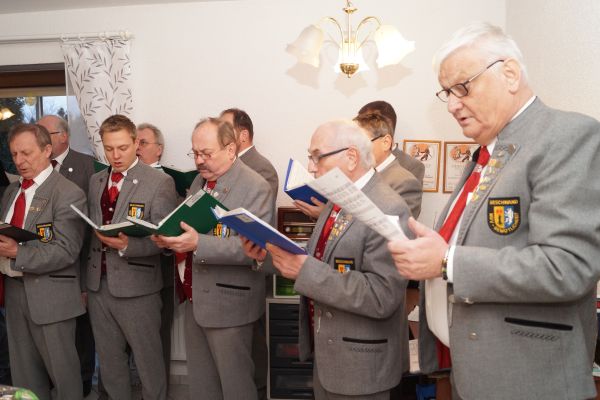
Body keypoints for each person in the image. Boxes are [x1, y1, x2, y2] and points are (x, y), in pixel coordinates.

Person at [388, 22, 600, 400]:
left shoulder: (566, 136)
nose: (452, 104)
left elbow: (567, 267)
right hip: (472, 371)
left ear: (510, 74)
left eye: (462, 87)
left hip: (527, 380)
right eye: (447, 93)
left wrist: (446, 261)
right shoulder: (489, 152)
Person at [242, 120, 411, 400]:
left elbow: (382, 296)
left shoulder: (389, 206)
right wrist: (266, 257)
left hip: (361, 365)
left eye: (317, 156)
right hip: (328, 355)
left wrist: (306, 270)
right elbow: (316, 257)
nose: (311, 167)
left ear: (351, 157)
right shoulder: (337, 200)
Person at [151, 117, 273, 400]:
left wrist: (198, 244)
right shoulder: (199, 181)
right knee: (202, 386)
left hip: (230, 303)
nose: (199, 161)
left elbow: (254, 249)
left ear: (230, 149)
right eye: (194, 153)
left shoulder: (255, 186)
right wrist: (170, 239)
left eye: (206, 153)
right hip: (195, 298)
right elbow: (191, 225)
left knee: (236, 387)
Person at [86, 115, 177, 400]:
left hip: (139, 289)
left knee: (149, 363)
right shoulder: (95, 180)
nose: (115, 155)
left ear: (136, 143)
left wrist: (129, 246)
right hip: (98, 285)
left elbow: (166, 240)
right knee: (110, 363)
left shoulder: (160, 182)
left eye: (122, 148)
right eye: (109, 148)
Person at [0, 123, 87, 399]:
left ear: (47, 150)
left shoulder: (68, 192)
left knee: (64, 379)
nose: (19, 161)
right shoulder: (11, 192)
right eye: (14, 154)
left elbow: (67, 250)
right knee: (25, 378)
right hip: (14, 293)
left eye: (26, 153)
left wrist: (18, 252)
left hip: (52, 298)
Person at [219, 108, 277, 400]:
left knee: (251, 350)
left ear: (242, 135)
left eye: (225, 128)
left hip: (247, 266)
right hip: (222, 270)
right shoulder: (220, 168)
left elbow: (257, 224)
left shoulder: (259, 169)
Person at [38, 114, 96, 397]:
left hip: (81, 261)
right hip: (44, 264)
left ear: (63, 136)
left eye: (44, 133)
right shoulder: (37, 169)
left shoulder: (88, 166)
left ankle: (83, 383)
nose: (38, 139)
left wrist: (85, 279)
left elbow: (91, 226)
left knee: (82, 331)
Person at [135, 122, 174, 388]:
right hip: (123, 273)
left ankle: (158, 390)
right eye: (135, 142)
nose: (137, 148)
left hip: (159, 270)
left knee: (156, 339)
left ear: (159, 150)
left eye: (143, 143)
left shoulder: (166, 182)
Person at [354, 110, 422, 218]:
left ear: (386, 142)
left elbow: (398, 225)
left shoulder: (405, 182)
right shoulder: (358, 174)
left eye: (361, 143)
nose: (355, 151)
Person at [358, 100, 425, 184]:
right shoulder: (356, 158)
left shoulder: (412, 166)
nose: (359, 127)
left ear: (386, 125)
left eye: (367, 121)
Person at [220, 108, 278, 198]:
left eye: (225, 130)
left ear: (244, 135)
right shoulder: (217, 164)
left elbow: (261, 205)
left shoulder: (263, 169)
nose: (218, 135)